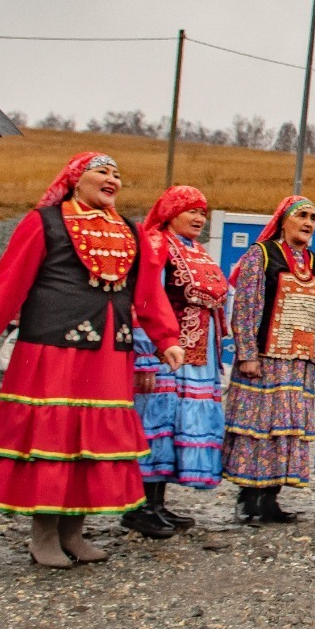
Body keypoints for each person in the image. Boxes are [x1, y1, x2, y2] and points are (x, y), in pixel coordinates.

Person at [0, 152, 183, 568]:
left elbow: (147, 291)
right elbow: (10, 279)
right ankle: (42, 535)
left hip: (109, 352)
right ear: (77, 180)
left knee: (93, 443)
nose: (112, 179)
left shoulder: (130, 231)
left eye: (117, 174)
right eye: (102, 172)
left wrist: (166, 337)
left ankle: (73, 532)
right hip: (52, 348)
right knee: (52, 440)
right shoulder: (45, 222)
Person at [123, 185, 227, 538]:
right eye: (192, 211)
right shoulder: (156, 244)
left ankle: (157, 502)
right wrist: (144, 355)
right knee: (157, 423)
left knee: (175, 427)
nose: (200, 219)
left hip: (197, 354)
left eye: (203, 213)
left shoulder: (196, 250)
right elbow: (145, 300)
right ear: (171, 212)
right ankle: (138, 508)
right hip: (163, 352)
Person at [223, 196, 315, 523]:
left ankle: (271, 499)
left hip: (300, 364)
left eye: (313, 218)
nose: (308, 223)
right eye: (302, 216)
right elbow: (246, 305)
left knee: (287, 430)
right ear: (284, 220)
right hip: (266, 359)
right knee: (259, 428)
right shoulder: (262, 254)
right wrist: (247, 353)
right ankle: (246, 498)